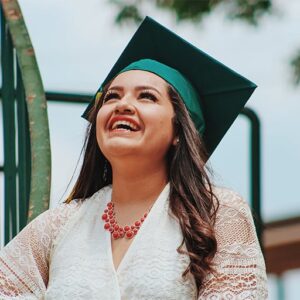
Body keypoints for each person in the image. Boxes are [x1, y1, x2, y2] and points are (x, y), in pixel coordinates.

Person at [0, 17, 267, 299]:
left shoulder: (216, 213)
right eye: (112, 97)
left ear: (179, 130)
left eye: (147, 97)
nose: (123, 105)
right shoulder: (58, 226)